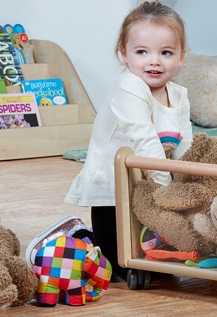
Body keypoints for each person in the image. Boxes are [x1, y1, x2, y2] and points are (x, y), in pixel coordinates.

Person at [65, 1, 192, 281]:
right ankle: (82, 239)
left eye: (166, 52)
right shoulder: (130, 87)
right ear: (124, 53)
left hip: (149, 187)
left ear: (182, 56)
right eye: (142, 52)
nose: (154, 61)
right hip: (113, 189)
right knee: (118, 265)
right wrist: (169, 194)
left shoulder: (179, 94)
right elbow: (145, 142)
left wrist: (191, 185)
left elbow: (186, 146)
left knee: (161, 263)